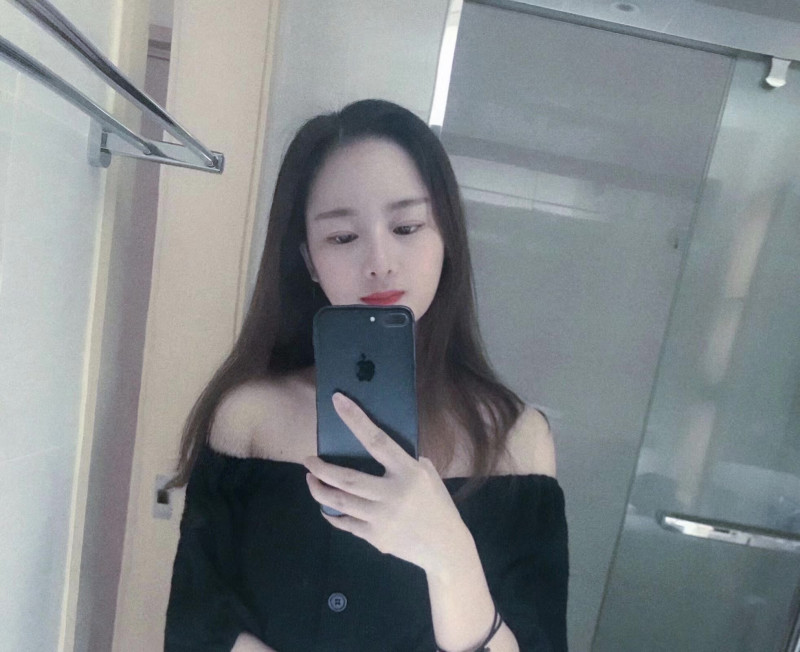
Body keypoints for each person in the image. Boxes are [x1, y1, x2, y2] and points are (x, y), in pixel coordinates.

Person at [164, 99, 568, 652]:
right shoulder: (248, 416)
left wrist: (451, 558)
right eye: (342, 237)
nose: (379, 261)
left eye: (406, 226)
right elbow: (196, 626)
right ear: (308, 259)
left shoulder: (516, 440)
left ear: (447, 237)